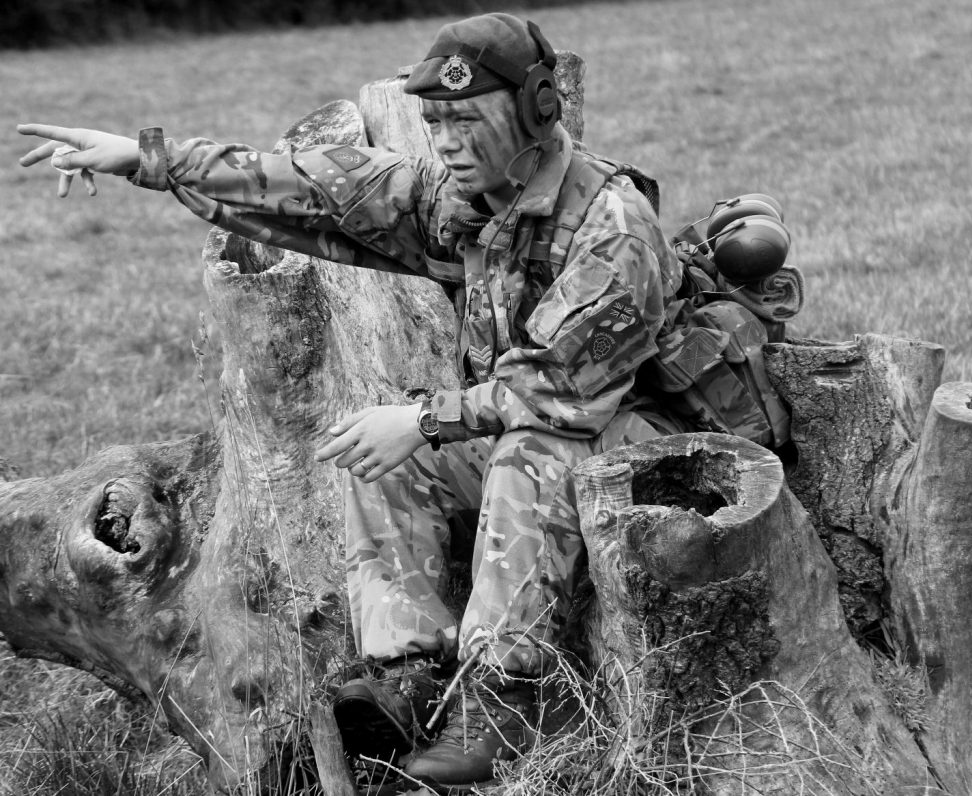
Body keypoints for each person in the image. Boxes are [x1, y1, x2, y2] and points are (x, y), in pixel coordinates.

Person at [18, 13, 692, 788]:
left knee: (521, 447)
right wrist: (147, 159)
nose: (445, 142)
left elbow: (558, 391)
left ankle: (509, 692)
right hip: (552, 428)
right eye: (436, 123)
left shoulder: (613, 226)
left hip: (644, 452)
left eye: (467, 121)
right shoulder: (474, 200)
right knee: (377, 455)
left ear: (539, 111)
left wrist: (423, 419)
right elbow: (315, 187)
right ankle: (407, 675)